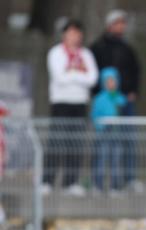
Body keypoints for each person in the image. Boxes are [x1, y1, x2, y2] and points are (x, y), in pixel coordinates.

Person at [41, 19, 98, 197]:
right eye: (71, 32)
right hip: (61, 102)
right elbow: (60, 77)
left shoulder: (86, 55)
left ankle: (71, 182)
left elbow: (92, 78)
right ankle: (47, 181)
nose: (75, 36)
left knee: (76, 143)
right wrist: (78, 74)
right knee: (56, 142)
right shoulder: (56, 53)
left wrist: (72, 74)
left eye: (78, 33)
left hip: (80, 103)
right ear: (65, 34)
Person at [89, 10, 141, 192]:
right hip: (105, 106)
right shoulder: (97, 48)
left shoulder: (127, 48)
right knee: (102, 147)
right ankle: (98, 181)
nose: (121, 27)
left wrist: (132, 91)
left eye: (123, 23)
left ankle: (126, 179)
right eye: (118, 23)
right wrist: (98, 93)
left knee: (126, 142)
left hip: (123, 101)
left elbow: (135, 71)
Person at [91, 67, 126, 194]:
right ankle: (98, 185)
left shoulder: (121, 98)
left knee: (116, 161)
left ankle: (115, 187)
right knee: (101, 159)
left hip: (117, 133)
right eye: (108, 81)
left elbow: (124, 115)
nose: (111, 83)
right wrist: (100, 126)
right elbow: (94, 116)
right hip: (103, 133)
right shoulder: (99, 99)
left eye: (113, 81)